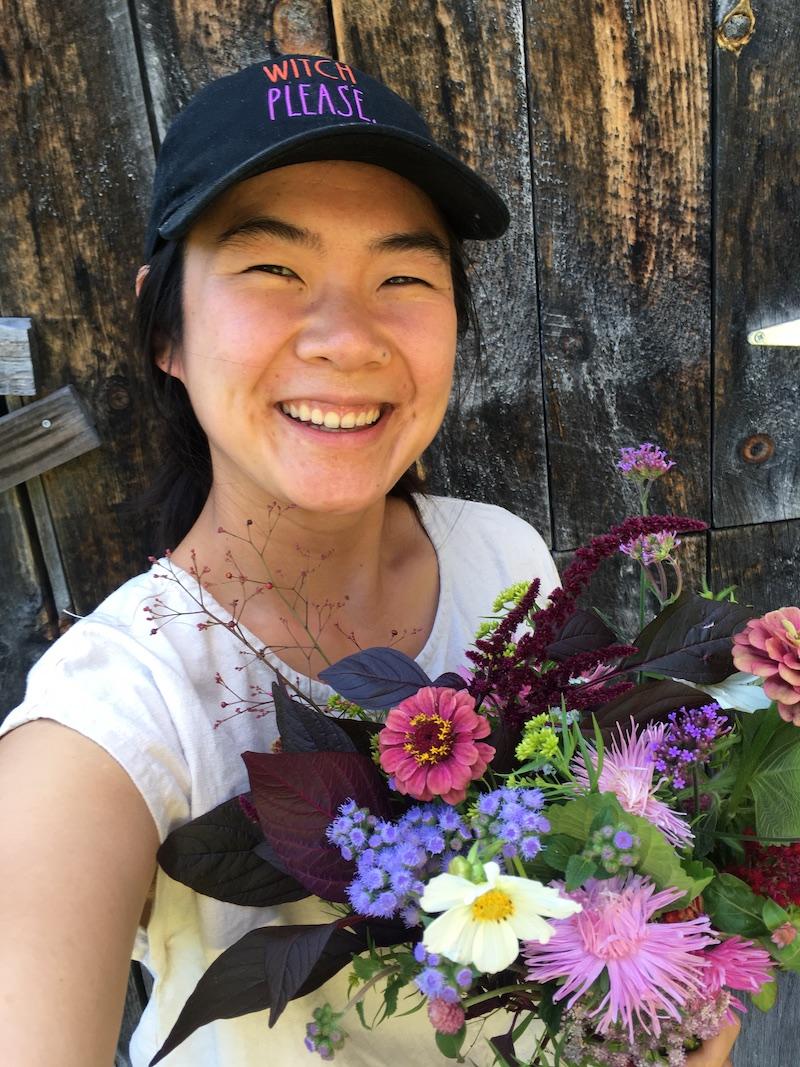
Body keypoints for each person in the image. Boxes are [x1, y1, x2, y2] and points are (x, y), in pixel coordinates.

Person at [0, 55, 738, 1066]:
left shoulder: (499, 556)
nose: (347, 338)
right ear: (162, 326)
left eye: (402, 277)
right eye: (272, 270)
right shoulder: (103, 736)